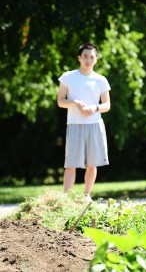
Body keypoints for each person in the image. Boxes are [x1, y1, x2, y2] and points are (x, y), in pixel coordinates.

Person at [57, 42, 111, 202]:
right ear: (79, 58)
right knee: (70, 164)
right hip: (74, 125)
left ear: (96, 59)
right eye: (85, 56)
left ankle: (87, 196)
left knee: (92, 164)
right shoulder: (68, 77)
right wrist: (75, 103)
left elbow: (107, 105)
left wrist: (94, 107)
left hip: (95, 125)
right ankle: (66, 199)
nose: (88, 60)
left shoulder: (101, 80)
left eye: (91, 57)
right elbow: (60, 101)